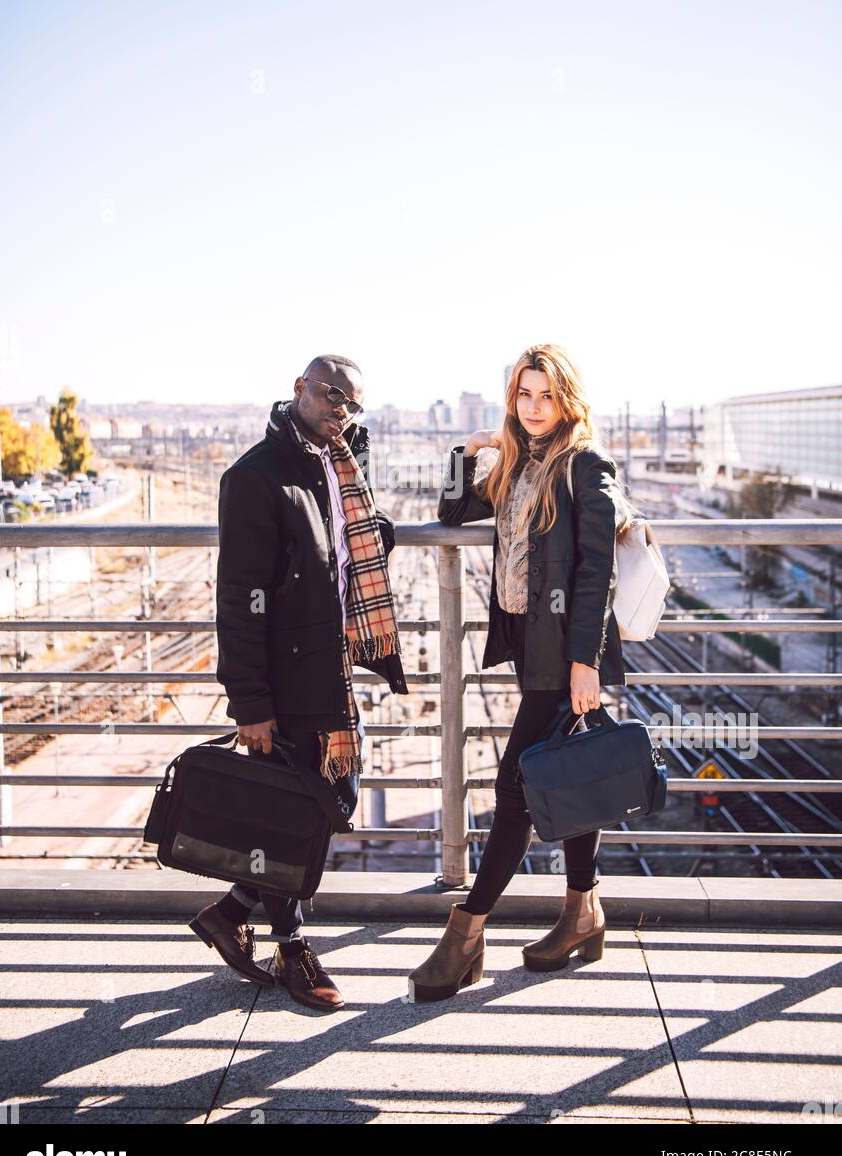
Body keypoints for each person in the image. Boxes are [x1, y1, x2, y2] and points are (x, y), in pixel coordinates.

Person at [409, 342, 634, 1002]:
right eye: (523, 395)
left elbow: (598, 570)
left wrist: (583, 664)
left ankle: (465, 932)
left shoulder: (583, 464)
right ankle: (581, 912)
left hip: (565, 657)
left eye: (545, 396)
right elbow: (454, 512)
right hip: (532, 652)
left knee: (515, 791)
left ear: (566, 401)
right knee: (570, 771)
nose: (533, 408)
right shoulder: (517, 463)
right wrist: (470, 447)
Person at [190, 354, 408, 1011]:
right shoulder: (257, 478)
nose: (339, 407)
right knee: (304, 804)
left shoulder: (338, 468)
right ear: (298, 389)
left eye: (351, 401)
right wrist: (249, 703)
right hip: (288, 674)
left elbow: (341, 548)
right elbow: (240, 598)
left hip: (330, 663)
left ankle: (232, 911)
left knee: (331, 797)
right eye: (329, 393)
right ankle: (290, 946)